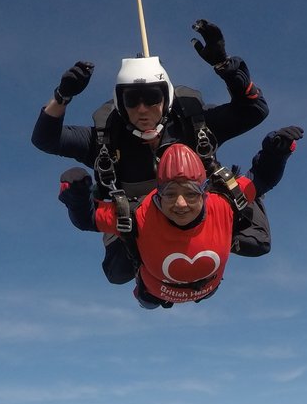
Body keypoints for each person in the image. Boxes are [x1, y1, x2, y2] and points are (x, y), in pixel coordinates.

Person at [32, 20, 269, 283]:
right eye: (132, 100)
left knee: (255, 242)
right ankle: (150, 281)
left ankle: (205, 248)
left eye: (152, 97)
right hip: (138, 220)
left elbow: (254, 111)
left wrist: (224, 66)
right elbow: (46, 139)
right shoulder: (106, 139)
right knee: (118, 271)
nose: (142, 109)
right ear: (120, 103)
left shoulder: (192, 124)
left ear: (166, 98)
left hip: (197, 208)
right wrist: (62, 96)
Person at [58, 131, 301, 309]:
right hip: (157, 290)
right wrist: (77, 197)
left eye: (191, 194)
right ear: (158, 195)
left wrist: (276, 154)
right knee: (142, 295)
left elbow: (261, 179)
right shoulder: (138, 215)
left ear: (204, 194)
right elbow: (87, 219)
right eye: (170, 194)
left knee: (258, 244)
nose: (181, 204)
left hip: (203, 288)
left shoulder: (222, 204)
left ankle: (153, 295)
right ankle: (146, 295)